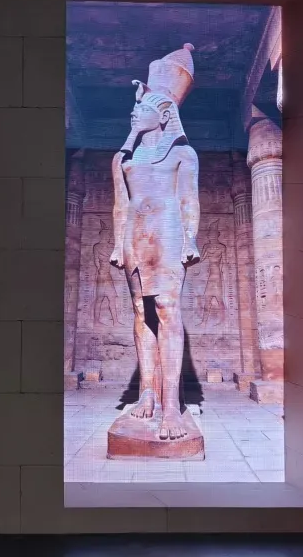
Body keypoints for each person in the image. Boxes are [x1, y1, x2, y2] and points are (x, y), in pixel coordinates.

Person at [109, 43, 200, 442]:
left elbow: (188, 201)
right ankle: (147, 390)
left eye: (143, 107)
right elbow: (120, 206)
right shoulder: (123, 159)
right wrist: (118, 244)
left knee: (166, 310)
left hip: (168, 234)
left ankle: (171, 404)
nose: (134, 112)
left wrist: (190, 239)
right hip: (134, 238)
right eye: (135, 107)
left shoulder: (183, 155)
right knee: (140, 312)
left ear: (164, 114)